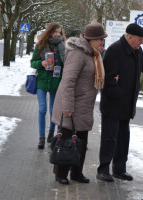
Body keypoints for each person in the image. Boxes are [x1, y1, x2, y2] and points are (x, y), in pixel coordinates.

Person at [97, 23, 143, 182]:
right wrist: (119, 94)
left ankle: (119, 169)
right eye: (139, 40)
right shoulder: (114, 51)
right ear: (129, 37)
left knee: (123, 138)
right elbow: (108, 79)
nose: (141, 43)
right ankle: (103, 169)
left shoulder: (137, 51)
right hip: (113, 104)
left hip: (127, 105)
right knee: (110, 138)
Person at [51, 23, 107, 185]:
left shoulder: (92, 53)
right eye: (100, 39)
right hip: (72, 104)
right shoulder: (78, 53)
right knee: (66, 140)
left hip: (84, 105)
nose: (101, 43)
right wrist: (67, 107)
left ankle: (76, 172)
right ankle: (60, 173)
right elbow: (68, 81)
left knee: (81, 140)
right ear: (92, 39)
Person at [30, 22, 66, 149]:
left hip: (56, 81)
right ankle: (41, 137)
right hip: (42, 81)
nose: (57, 34)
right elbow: (32, 62)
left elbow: (67, 64)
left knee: (53, 111)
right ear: (49, 32)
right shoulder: (41, 45)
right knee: (42, 109)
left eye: (59, 32)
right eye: (55, 31)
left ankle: (51, 133)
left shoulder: (63, 46)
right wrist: (42, 63)